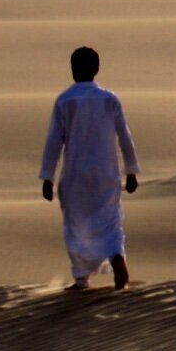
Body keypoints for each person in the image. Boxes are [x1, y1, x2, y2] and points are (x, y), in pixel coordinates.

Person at [39, 46, 140, 290]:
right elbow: (124, 136)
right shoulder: (109, 99)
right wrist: (132, 171)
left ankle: (82, 278)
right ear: (96, 69)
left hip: (75, 174)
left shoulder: (65, 100)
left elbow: (55, 140)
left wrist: (47, 177)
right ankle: (116, 256)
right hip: (106, 173)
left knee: (76, 224)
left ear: (73, 69)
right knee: (110, 221)